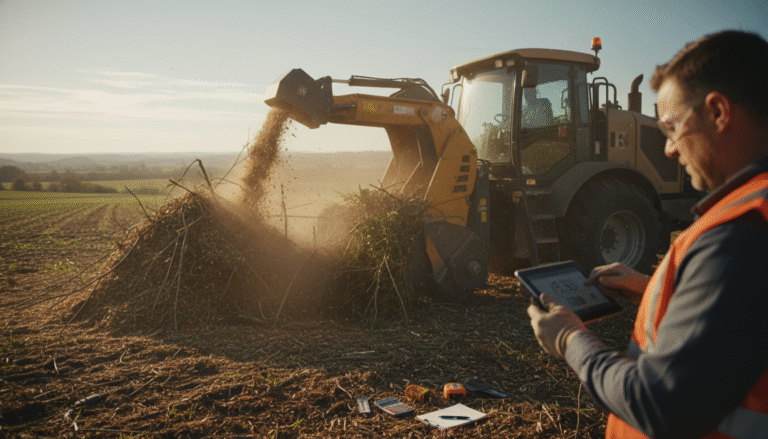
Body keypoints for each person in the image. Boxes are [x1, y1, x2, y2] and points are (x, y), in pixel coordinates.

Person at [527, 30, 768, 439]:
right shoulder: (751, 213)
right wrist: (648, 285)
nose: (670, 149)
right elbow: (741, 316)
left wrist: (570, 339)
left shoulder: (741, 232)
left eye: (672, 127)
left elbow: (662, 404)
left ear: (718, 113)